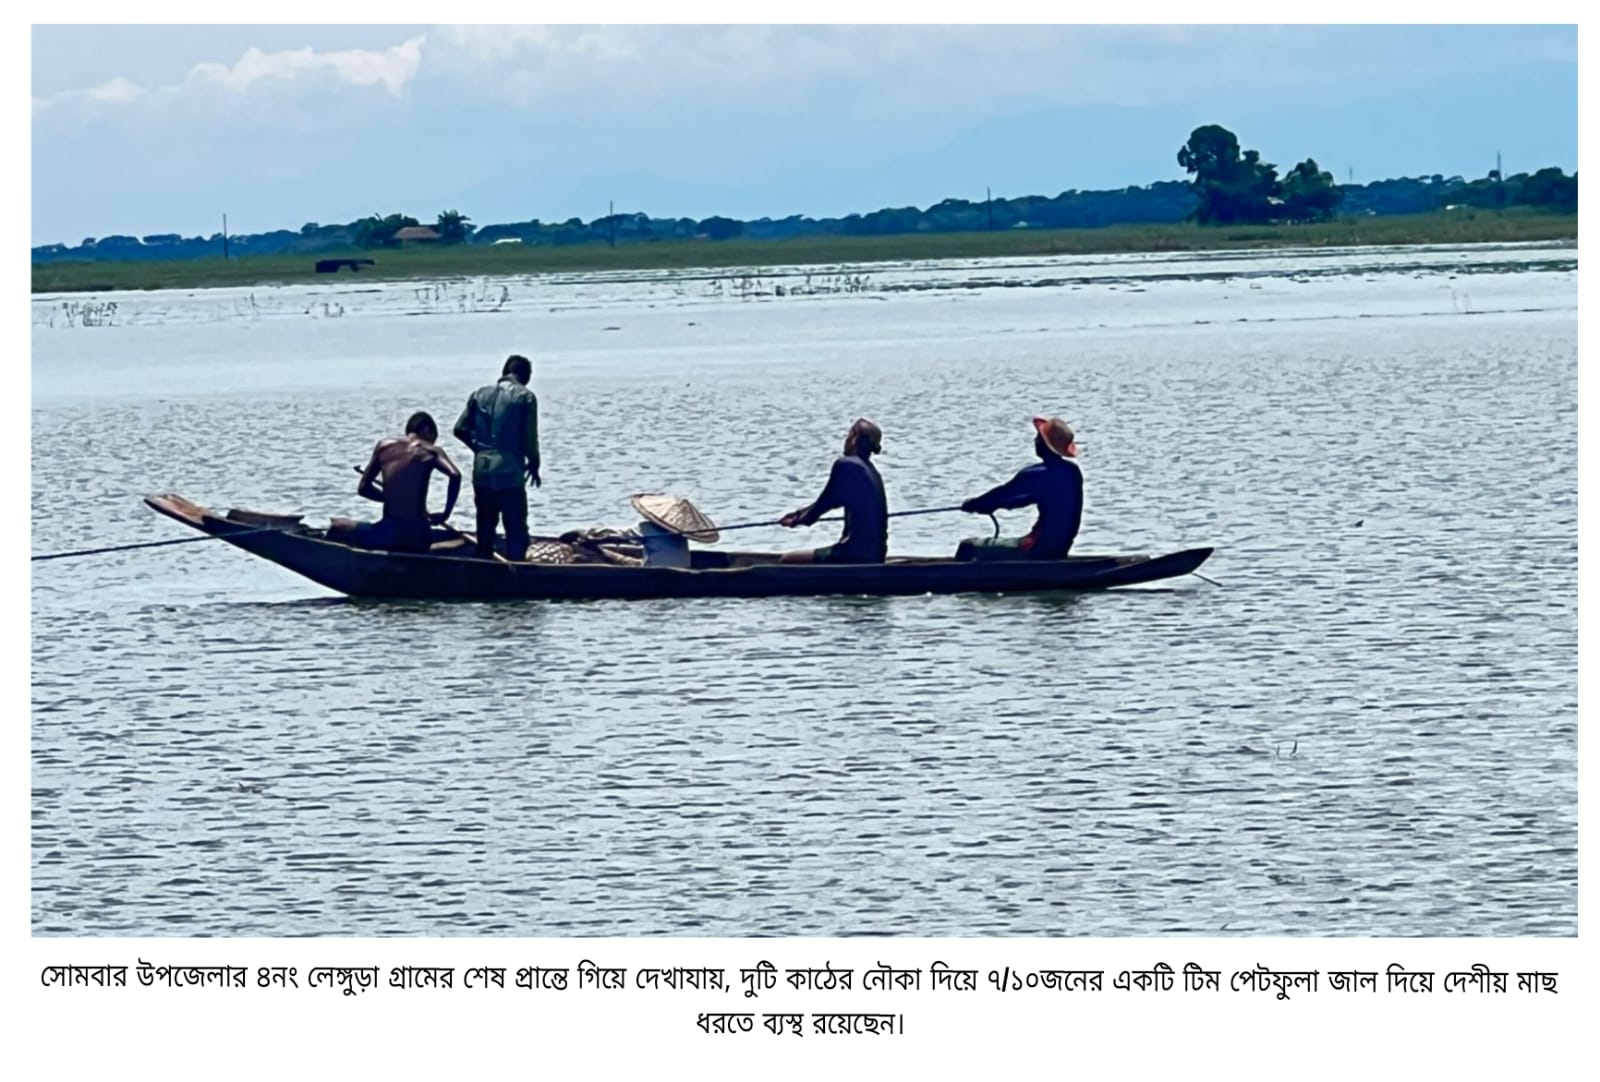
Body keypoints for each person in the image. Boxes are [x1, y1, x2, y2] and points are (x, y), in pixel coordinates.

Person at [956, 416, 1083, 561]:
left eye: (1039, 438)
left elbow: (1005, 495)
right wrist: (989, 504)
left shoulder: (1036, 475)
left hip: (1037, 548)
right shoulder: (1072, 472)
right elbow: (1015, 499)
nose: (1035, 441)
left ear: (1046, 446)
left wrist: (975, 504)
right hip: (1060, 549)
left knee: (968, 547)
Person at [453, 354, 541, 561]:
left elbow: (460, 429)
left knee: (485, 527)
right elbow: (530, 438)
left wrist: (479, 449)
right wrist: (534, 464)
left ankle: (483, 567)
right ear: (525, 376)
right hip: (509, 471)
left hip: (482, 469)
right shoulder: (525, 397)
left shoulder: (478, 395)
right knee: (515, 528)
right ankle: (517, 573)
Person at [342, 411, 462, 553]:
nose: (432, 443)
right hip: (418, 537)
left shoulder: (383, 446)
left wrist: (390, 498)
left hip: (388, 534)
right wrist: (445, 513)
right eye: (433, 438)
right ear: (426, 430)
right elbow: (455, 475)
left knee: (339, 525)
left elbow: (363, 489)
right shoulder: (432, 451)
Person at [779, 418, 889, 564]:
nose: (846, 439)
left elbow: (815, 513)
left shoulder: (846, 465)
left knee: (787, 560)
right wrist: (798, 513)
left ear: (854, 438)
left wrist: (795, 521)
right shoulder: (871, 471)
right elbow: (831, 500)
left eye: (849, 434)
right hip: (876, 556)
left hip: (853, 555)